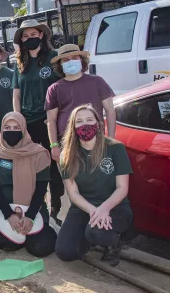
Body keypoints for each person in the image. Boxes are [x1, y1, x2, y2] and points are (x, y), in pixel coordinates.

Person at [55, 105, 133, 267]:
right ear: (73, 127)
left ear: (98, 124)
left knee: (95, 232)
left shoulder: (115, 148)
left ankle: (113, 243)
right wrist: (94, 211)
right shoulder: (67, 154)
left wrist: (104, 209)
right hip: (83, 208)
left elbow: (122, 188)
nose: (85, 125)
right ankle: (89, 237)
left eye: (90, 120)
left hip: (115, 206)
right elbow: (73, 193)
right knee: (65, 252)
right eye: (79, 121)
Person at [0, 112, 57, 257]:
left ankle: (47, 227)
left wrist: (29, 216)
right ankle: (21, 235)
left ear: (23, 129)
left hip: (33, 208)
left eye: (16, 127)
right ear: (2, 130)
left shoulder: (38, 153)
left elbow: (41, 188)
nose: (12, 131)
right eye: (7, 127)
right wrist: (9, 215)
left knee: (41, 248)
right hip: (2, 209)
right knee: (7, 244)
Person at [11, 19, 62, 224]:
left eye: (33, 34)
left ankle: (56, 205)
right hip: (28, 124)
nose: (29, 39)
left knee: (53, 165)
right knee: (32, 166)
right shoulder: (19, 62)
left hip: (49, 121)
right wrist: (19, 121)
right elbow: (16, 95)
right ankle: (36, 206)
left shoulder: (53, 58)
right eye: (25, 36)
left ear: (41, 35)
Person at [46, 44, 116, 164]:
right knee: (71, 179)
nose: (71, 61)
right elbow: (51, 120)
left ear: (81, 60)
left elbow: (110, 111)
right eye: (66, 60)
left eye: (75, 58)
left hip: (96, 140)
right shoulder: (54, 89)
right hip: (68, 144)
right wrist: (54, 145)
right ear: (60, 65)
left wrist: (110, 139)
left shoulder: (97, 81)